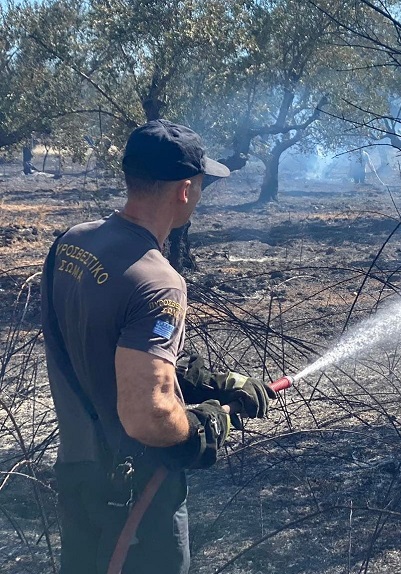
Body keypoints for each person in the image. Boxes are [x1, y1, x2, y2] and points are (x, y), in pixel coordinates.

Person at [41, 119, 278, 574]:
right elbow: (147, 415)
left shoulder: (72, 243)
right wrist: (201, 427)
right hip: (133, 492)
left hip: (77, 471)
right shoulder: (158, 282)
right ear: (185, 190)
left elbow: (107, 339)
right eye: (203, 184)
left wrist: (212, 381)